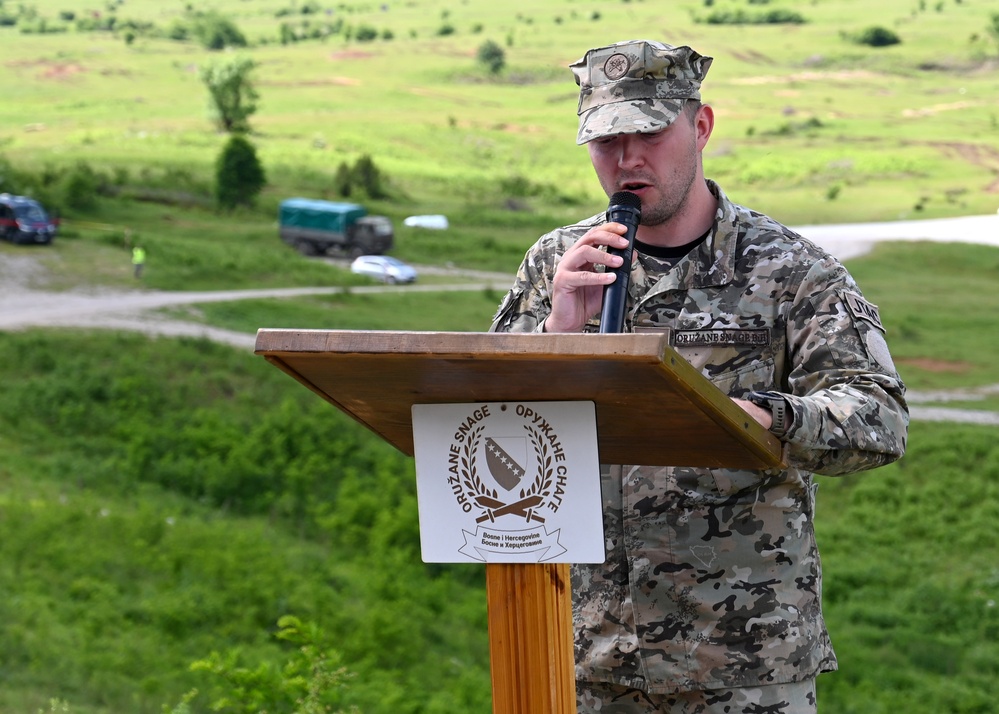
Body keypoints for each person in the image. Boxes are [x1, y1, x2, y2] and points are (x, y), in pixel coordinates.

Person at [490, 39, 909, 714]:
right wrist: (558, 330)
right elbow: (483, 421)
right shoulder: (555, 263)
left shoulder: (791, 270)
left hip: (739, 657)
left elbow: (877, 416)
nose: (626, 160)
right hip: (582, 652)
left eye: (648, 133)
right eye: (605, 140)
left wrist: (761, 419)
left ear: (700, 125)